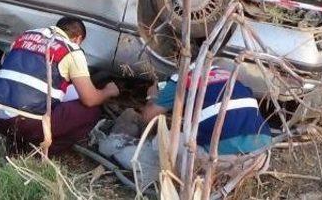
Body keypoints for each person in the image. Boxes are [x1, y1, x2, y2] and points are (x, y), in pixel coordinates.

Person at [97, 64, 271, 190]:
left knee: (160, 142)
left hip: (224, 159)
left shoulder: (180, 80)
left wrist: (152, 96)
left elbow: (148, 117)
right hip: (261, 158)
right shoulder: (229, 76)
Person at [0, 16, 120, 155]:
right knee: (91, 111)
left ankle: (17, 143)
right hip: (24, 124)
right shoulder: (71, 49)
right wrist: (108, 91)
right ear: (78, 39)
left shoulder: (25, 36)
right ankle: (42, 152)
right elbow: (90, 99)